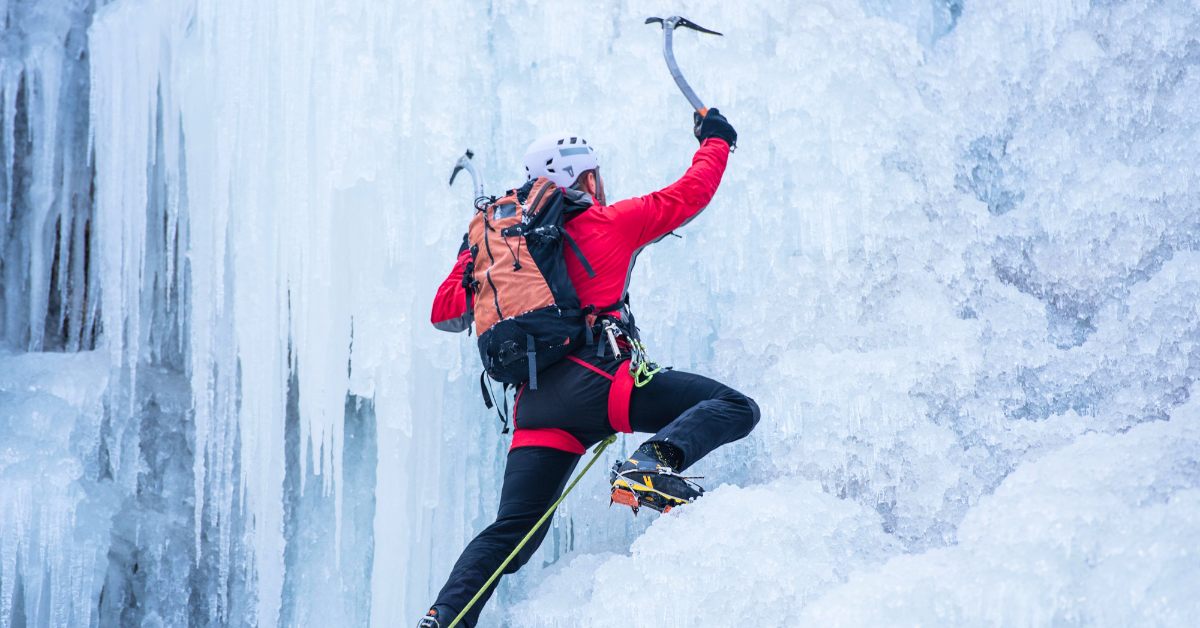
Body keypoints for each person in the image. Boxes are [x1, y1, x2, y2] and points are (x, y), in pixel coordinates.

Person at [420, 110, 759, 628]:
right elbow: (690, 193)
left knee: (511, 535)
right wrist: (716, 139)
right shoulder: (612, 222)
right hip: (602, 384)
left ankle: (443, 618)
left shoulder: (495, 248)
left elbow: (446, 313)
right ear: (580, 178)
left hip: (537, 408)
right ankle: (652, 462)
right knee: (736, 406)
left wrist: (474, 255)